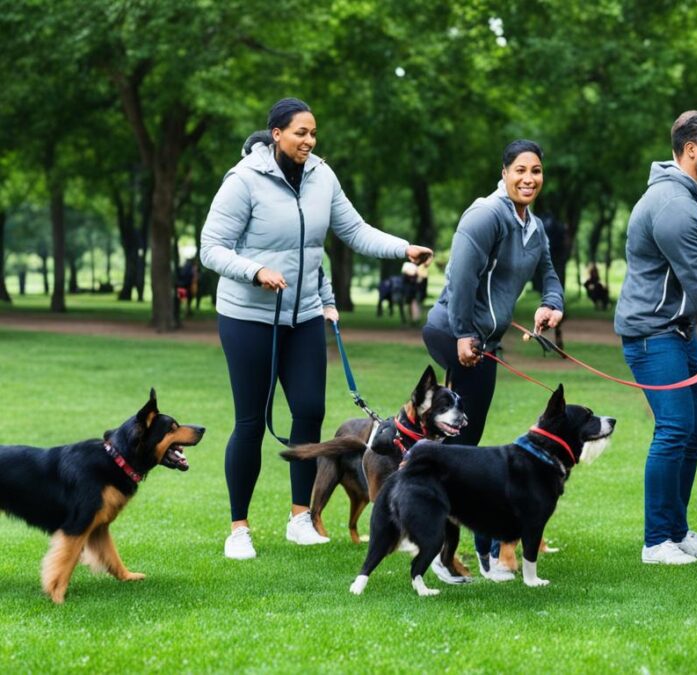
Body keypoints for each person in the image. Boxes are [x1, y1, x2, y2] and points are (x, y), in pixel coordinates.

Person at [201, 97, 433, 560]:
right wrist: (254, 271)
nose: (308, 141)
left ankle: (299, 517)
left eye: (313, 133)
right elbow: (211, 247)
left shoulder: (321, 176)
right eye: (300, 133)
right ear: (276, 134)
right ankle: (239, 529)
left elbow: (355, 229)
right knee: (250, 420)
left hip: (304, 312)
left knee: (308, 411)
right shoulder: (243, 181)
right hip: (249, 315)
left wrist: (403, 249)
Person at [422, 139, 564, 580]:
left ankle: (469, 546)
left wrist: (551, 303)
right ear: (504, 172)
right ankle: (448, 556)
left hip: (483, 341)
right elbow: (460, 275)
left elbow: (549, 273)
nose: (529, 178)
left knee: (463, 442)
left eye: (536, 171)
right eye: (520, 169)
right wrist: (465, 331)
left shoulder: (532, 226)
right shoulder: (486, 215)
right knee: (464, 448)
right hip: (454, 332)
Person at [614, 111, 697, 566]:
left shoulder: (683, 197)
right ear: (692, 151)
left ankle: (676, 530)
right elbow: (696, 278)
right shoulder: (674, 205)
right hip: (653, 335)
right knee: (674, 430)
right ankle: (657, 542)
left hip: (678, 331)